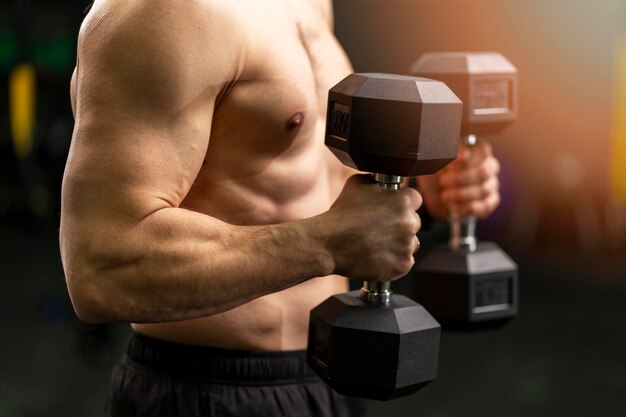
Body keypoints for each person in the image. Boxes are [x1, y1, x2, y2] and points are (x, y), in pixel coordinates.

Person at [60, 0, 501, 416]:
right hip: (209, 391)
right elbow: (103, 268)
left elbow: (303, 186)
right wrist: (327, 244)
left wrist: (424, 194)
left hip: (328, 376)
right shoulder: (160, 13)